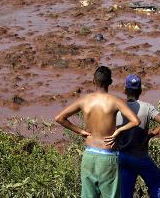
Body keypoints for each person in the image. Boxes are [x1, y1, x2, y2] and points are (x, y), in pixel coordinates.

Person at [55, 66, 141, 198]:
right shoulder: (115, 100)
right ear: (111, 82)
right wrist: (118, 131)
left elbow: (59, 118)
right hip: (107, 156)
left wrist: (80, 131)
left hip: (89, 155)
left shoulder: (84, 100)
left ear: (93, 81)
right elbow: (135, 121)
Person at [115, 74, 160, 198]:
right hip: (141, 156)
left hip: (122, 157)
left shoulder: (117, 109)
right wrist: (150, 135)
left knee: (125, 193)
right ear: (141, 91)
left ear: (125, 90)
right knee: (159, 183)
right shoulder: (147, 107)